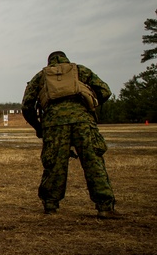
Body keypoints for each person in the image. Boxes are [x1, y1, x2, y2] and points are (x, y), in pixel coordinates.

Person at [21, 51, 119, 218]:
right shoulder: (81, 71)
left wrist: (40, 127)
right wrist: (89, 105)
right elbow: (105, 90)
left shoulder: (41, 76)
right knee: (93, 162)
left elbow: (27, 106)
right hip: (83, 121)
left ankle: (50, 204)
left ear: (50, 61)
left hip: (54, 123)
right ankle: (105, 206)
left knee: (54, 164)